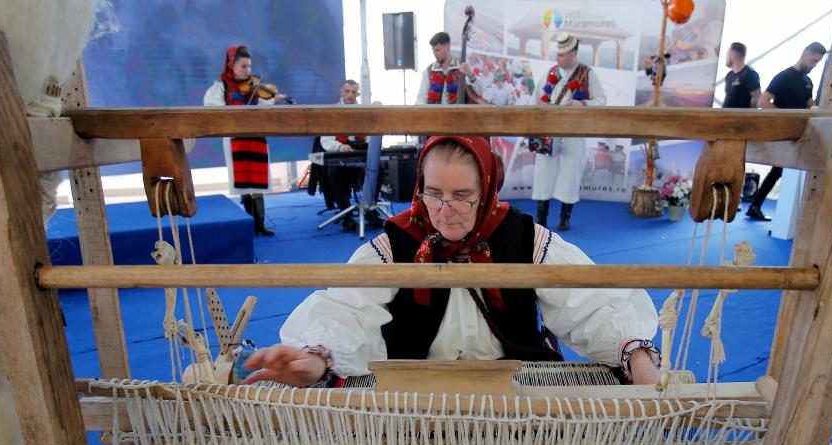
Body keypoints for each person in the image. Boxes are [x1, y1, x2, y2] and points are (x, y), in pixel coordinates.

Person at [241, 136, 660, 387]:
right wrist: (316, 357)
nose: (444, 211)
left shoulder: (522, 237)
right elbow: (348, 307)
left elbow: (588, 300)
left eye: (462, 196)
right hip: (418, 396)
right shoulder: (398, 244)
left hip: (516, 391)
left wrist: (634, 354)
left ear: (487, 190)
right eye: (433, 193)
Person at [203, 45, 288, 236]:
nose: (247, 70)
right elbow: (211, 105)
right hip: (236, 140)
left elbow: (265, 104)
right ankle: (250, 224)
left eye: (249, 66)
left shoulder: (255, 86)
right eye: (243, 66)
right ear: (231, 65)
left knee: (258, 181)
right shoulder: (222, 86)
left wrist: (275, 101)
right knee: (243, 183)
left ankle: (260, 224)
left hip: (256, 138)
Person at [532, 33, 607, 232]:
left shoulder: (587, 74)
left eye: (561, 55)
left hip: (574, 132)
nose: (557, 58)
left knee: (570, 174)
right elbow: (536, 100)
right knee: (543, 173)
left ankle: (565, 218)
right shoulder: (550, 72)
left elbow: (601, 100)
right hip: (550, 131)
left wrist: (583, 104)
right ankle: (541, 218)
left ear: (572, 54)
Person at [746, 42, 826, 221]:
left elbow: (809, 103)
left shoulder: (807, 81)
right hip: (783, 133)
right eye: (813, 61)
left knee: (779, 171)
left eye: (817, 62)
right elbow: (763, 102)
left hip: (801, 133)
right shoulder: (784, 77)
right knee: (778, 170)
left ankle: (755, 205)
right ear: (804, 54)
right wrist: (784, 117)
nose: (814, 65)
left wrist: (818, 110)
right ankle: (755, 205)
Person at [320, 79, 367, 232]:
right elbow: (326, 141)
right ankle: (346, 215)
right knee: (333, 173)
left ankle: (370, 209)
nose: (350, 95)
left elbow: (370, 136)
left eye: (353, 92)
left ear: (358, 94)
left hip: (360, 154)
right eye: (347, 91)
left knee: (376, 169)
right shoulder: (332, 112)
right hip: (339, 155)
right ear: (341, 91)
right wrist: (340, 146)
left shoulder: (364, 112)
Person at [415, 32, 476, 105]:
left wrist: (471, 76)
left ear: (448, 47)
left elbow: (480, 91)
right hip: (434, 112)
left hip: (457, 112)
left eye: (437, 50)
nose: (435, 54)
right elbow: (421, 97)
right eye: (433, 51)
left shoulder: (462, 68)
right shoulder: (428, 71)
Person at [722, 42, 760, 109]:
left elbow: (757, 98)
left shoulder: (750, 74)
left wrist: (748, 114)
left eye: (727, 54)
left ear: (733, 55)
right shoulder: (729, 75)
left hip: (741, 115)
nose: (725, 57)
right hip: (726, 114)